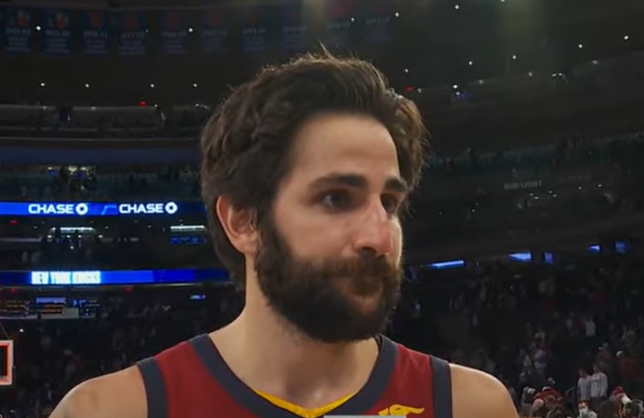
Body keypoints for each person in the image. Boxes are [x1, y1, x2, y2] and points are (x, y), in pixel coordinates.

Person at [48, 51, 517, 418]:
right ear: (243, 222)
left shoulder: (471, 406)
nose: (380, 237)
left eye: (389, 203)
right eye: (336, 198)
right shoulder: (113, 410)